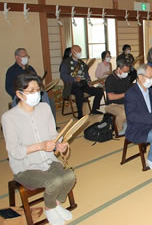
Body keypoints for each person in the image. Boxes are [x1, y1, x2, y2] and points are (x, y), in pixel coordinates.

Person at [1, 74, 76, 225]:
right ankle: (50, 208)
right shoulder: (9, 117)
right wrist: (40, 146)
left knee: (70, 176)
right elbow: (14, 151)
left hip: (48, 161)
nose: (36, 94)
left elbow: (53, 135)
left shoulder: (44, 108)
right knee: (54, 182)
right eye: (31, 91)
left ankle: (55, 203)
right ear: (19, 94)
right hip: (25, 167)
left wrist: (59, 143)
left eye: (37, 90)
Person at [5, 48, 56, 121]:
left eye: (27, 56)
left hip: (34, 93)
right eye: (24, 56)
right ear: (17, 57)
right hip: (21, 96)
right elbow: (8, 87)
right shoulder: (11, 71)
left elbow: (37, 81)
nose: (26, 58)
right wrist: (22, 95)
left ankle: (49, 123)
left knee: (48, 99)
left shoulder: (30, 68)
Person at [60, 45, 104, 119]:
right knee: (79, 93)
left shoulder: (81, 63)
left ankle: (94, 109)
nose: (79, 53)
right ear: (72, 52)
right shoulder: (66, 62)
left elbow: (86, 74)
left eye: (80, 51)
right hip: (72, 85)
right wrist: (74, 79)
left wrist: (89, 81)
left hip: (83, 84)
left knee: (99, 91)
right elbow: (63, 76)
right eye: (78, 51)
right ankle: (80, 114)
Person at [105, 59, 131, 136]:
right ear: (118, 69)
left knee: (137, 109)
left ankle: (128, 127)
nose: (126, 74)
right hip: (112, 105)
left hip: (124, 103)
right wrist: (124, 94)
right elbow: (110, 97)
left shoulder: (125, 78)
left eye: (127, 72)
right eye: (125, 71)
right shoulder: (110, 79)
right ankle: (117, 132)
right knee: (123, 114)